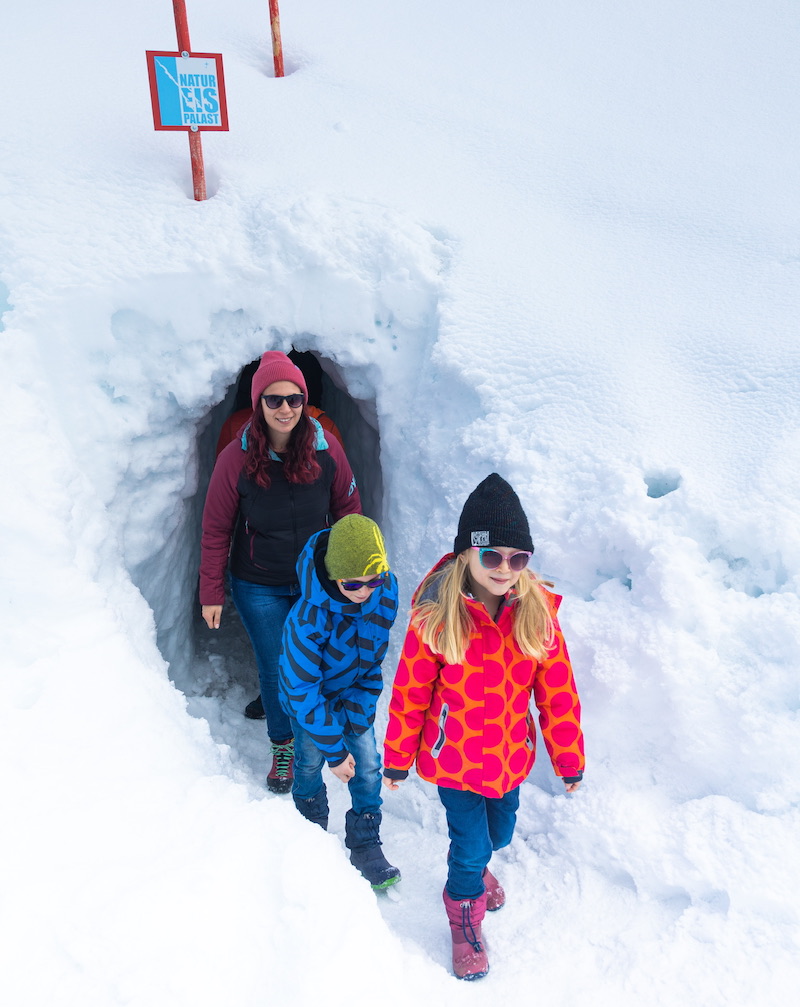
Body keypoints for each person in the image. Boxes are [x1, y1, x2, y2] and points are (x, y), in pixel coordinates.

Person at [382, 473, 584, 979]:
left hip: (510, 757)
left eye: (518, 559)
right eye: (492, 556)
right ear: (466, 554)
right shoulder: (437, 616)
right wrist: (397, 760)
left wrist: (569, 760)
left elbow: (557, 693)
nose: (505, 570)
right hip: (453, 760)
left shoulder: (536, 614)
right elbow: (410, 693)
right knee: (470, 846)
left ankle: (476, 866)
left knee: (500, 832)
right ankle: (464, 918)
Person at [199, 351, 361, 793]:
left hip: (314, 581)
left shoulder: (327, 448)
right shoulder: (236, 458)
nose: (285, 408)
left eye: (294, 399)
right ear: (258, 404)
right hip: (258, 583)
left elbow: (349, 512)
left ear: (305, 400)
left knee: (315, 660)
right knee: (276, 667)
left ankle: (318, 732)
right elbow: (216, 527)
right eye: (274, 400)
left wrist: (352, 575)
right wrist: (211, 591)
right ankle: (284, 746)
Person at [277, 514, 401, 889]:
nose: (365, 591)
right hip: (310, 703)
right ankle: (310, 830)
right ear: (334, 575)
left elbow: (373, 657)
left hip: (354, 692)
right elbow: (302, 688)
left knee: (367, 766)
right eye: (353, 583)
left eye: (373, 579)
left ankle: (365, 841)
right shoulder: (307, 619)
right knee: (310, 763)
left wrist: (359, 711)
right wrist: (334, 750)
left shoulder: (385, 594)